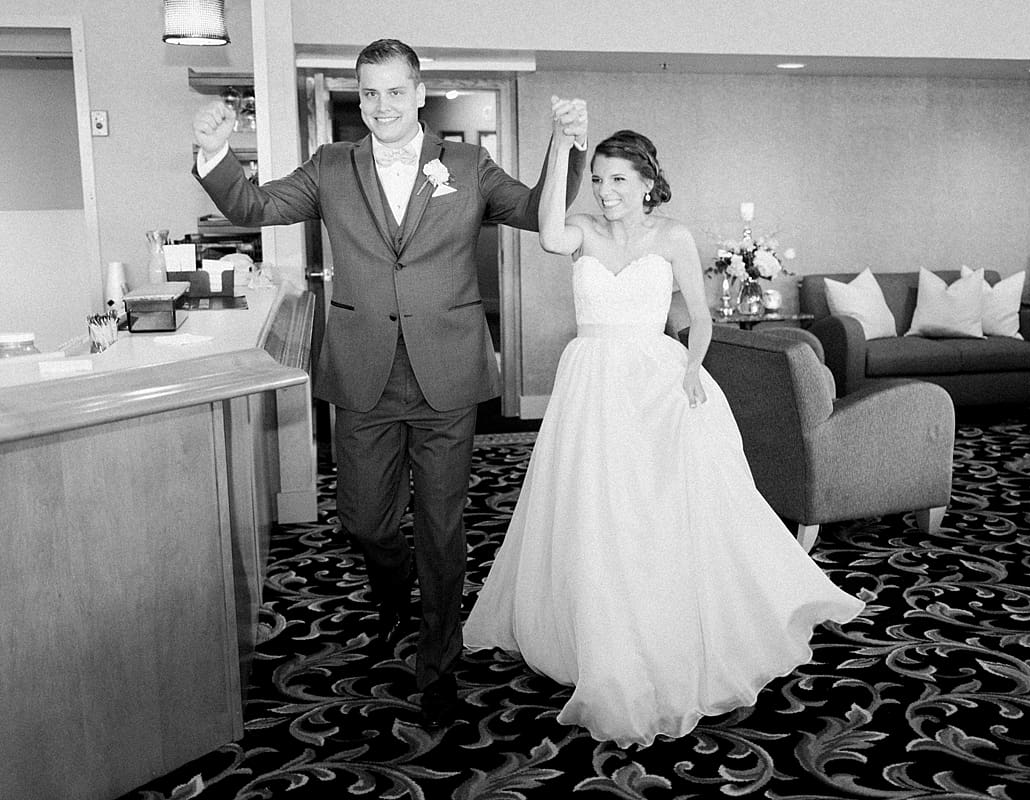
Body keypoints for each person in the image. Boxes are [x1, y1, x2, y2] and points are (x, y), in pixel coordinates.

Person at [191, 39, 588, 727]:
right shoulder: (331, 166)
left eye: (395, 92)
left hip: (449, 371)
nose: (382, 106)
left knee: (442, 526)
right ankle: (393, 587)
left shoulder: (466, 164)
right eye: (369, 93)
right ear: (360, 96)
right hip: (361, 369)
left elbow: (534, 211)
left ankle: (439, 660)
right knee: (365, 522)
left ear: (419, 93)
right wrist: (214, 155)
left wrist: (567, 147)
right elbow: (254, 206)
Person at [462, 105, 866, 747]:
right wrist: (561, 148)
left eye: (618, 180)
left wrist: (692, 372)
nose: (606, 192)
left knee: (660, 507)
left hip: (659, 378)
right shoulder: (580, 227)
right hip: (592, 383)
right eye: (598, 179)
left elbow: (701, 318)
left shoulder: (674, 236)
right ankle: (601, 631)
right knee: (598, 507)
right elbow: (545, 236)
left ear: (647, 182)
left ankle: (667, 622)